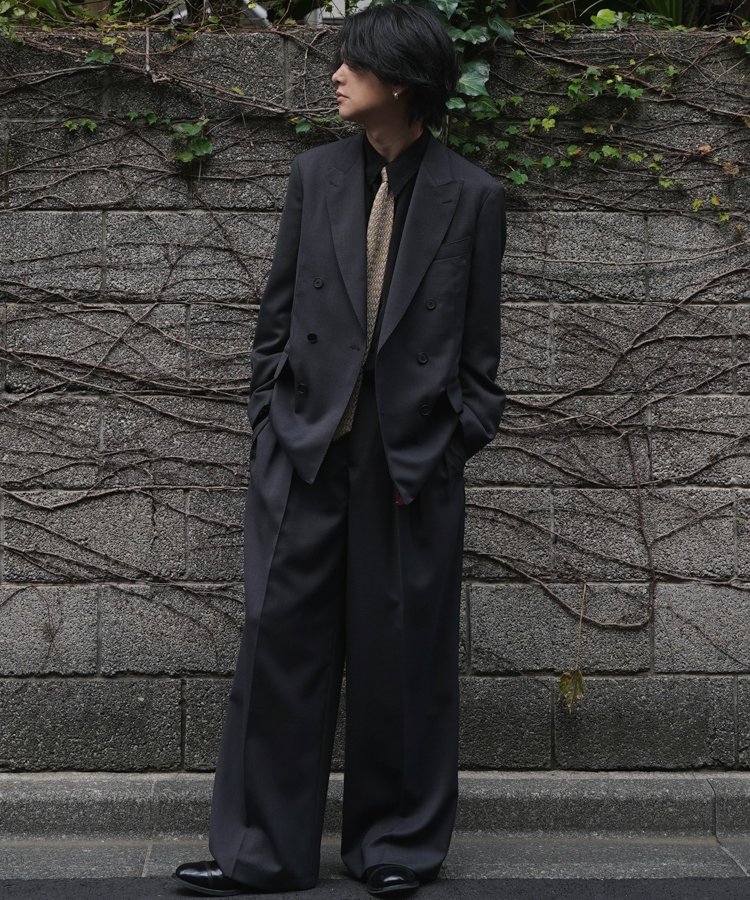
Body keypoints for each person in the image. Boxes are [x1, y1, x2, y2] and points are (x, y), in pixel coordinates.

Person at [173, 4, 506, 896]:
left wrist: (450, 444)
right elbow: (276, 316)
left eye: (353, 63)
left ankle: (395, 847)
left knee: (403, 657)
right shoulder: (315, 175)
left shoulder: (473, 196)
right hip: (305, 450)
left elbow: (481, 359)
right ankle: (260, 851)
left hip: (408, 467)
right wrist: (269, 420)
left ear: (401, 80)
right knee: (277, 646)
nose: (336, 75)